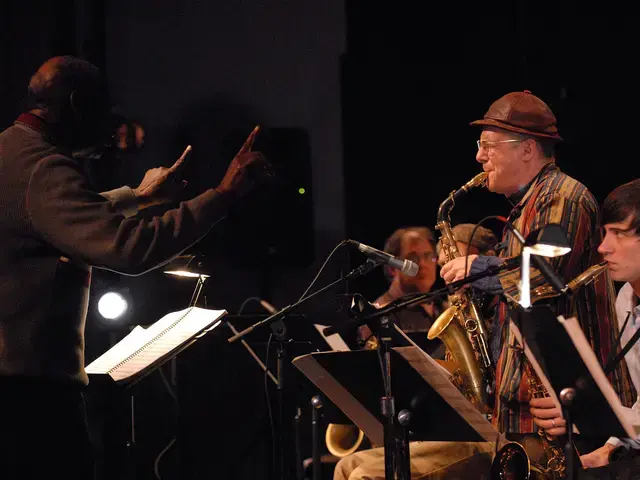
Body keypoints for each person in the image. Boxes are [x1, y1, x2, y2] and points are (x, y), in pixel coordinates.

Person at [0, 55, 269, 479]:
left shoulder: (11, 151)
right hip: (30, 396)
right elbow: (128, 248)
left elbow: (46, 219)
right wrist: (223, 196)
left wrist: (138, 198)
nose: (111, 125)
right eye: (103, 108)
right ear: (74, 103)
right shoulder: (44, 167)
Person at [440, 90, 636, 464]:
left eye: (487, 146)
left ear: (527, 149)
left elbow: (542, 281)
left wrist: (477, 268)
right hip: (528, 409)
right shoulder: (524, 209)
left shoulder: (563, 197)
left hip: (567, 413)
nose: (479, 157)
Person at [334, 224, 499, 480]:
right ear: (392, 268)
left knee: (362, 474)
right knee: (345, 467)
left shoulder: (474, 310)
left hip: (474, 428)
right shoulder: (382, 314)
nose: (427, 266)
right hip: (420, 423)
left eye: (429, 258)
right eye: (413, 259)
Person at [530, 179, 640, 479]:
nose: (603, 248)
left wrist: (582, 415)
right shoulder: (625, 298)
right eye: (605, 234)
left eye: (618, 233)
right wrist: (610, 447)